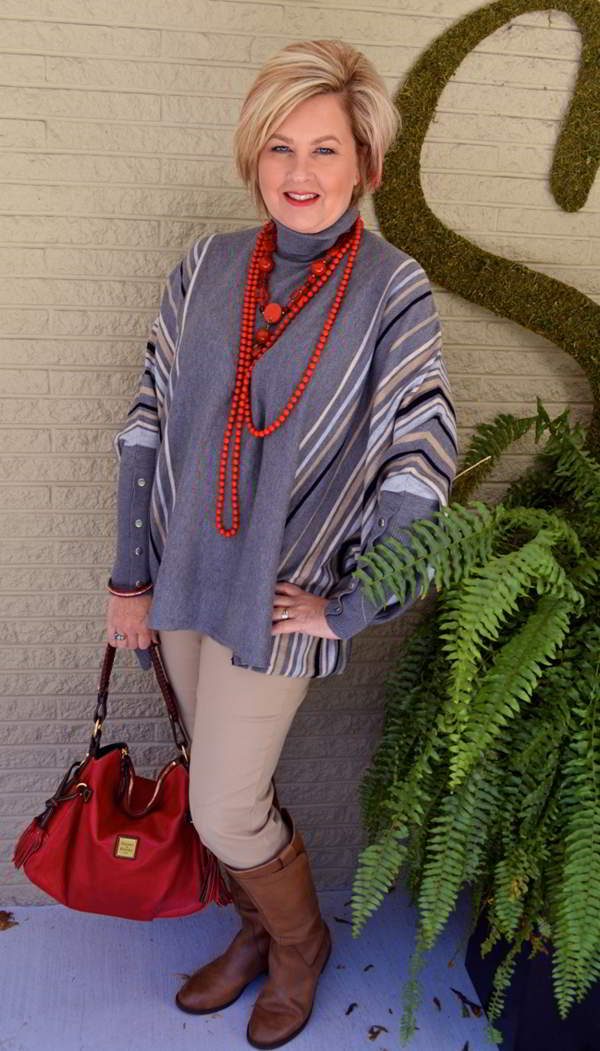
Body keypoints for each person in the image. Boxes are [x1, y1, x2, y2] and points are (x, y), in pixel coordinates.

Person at [106, 38, 457, 1050]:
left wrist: (352, 604)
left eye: (325, 149)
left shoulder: (393, 287)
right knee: (219, 785)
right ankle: (256, 931)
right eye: (280, 148)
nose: (300, 173)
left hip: (282, 590)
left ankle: (298, 947)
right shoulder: (207, 267)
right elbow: (147, 416)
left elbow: (420, 453)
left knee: (223, 805)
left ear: (366, 164)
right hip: (184, 575)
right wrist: (129, 577)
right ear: (253, 157)